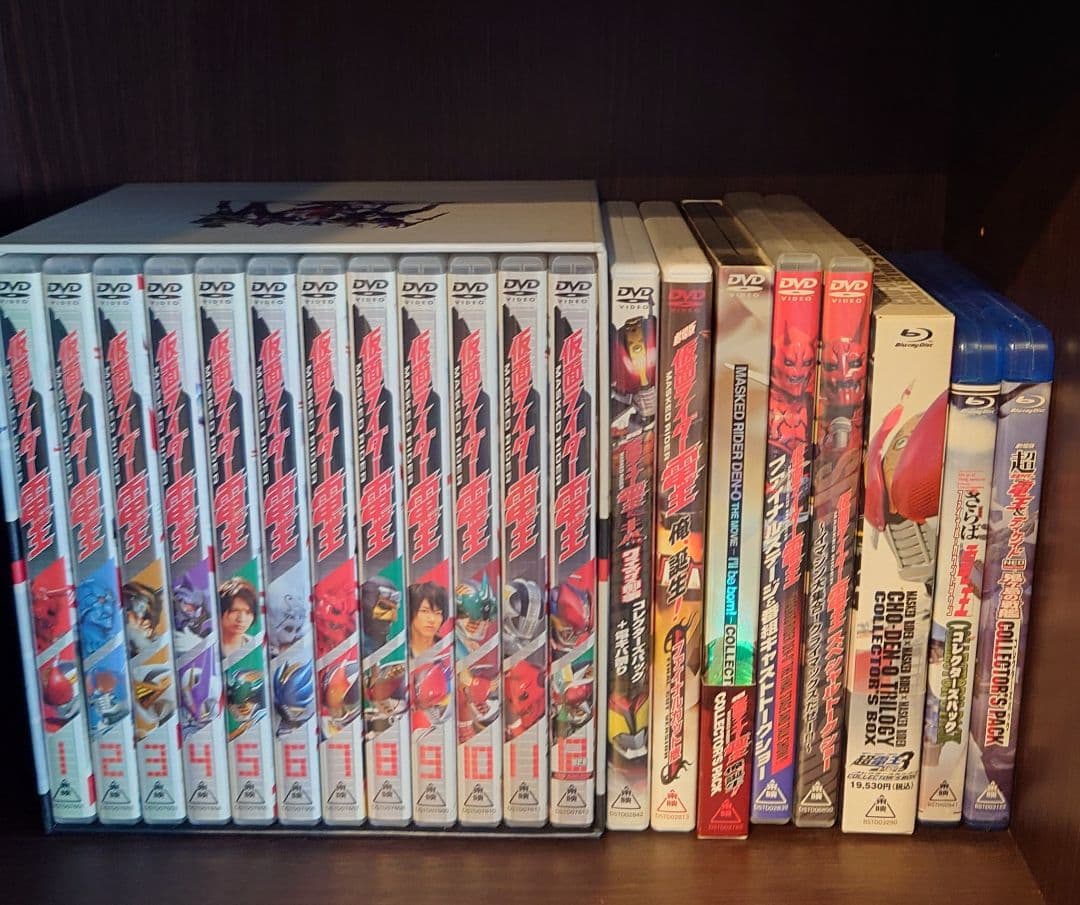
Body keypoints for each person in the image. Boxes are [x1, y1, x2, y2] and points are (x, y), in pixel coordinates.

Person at [408, 581, 448, 658]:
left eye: (438, 613)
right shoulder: (398, 652)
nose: (432, 619)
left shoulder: (448, 649)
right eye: (424, 611)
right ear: (410, 612)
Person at [219, 578, 258, 656]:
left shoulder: (257, 648)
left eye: (248, 612)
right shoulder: (208, 649)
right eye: (235, 610)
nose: (241, 619)